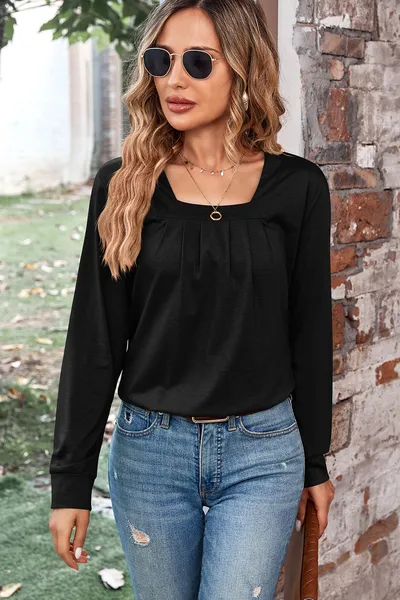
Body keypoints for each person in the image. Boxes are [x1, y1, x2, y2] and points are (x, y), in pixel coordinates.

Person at [48, 0, 335, 598]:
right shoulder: (123, 184)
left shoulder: (299, 186)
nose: (174, 79)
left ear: (242, 68)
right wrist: (70, 481)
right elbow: (95, 339)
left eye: (199, 62)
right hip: (151, 455)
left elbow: (309, 333)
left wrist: (315, 463)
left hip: (264, 453)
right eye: (162, 59)